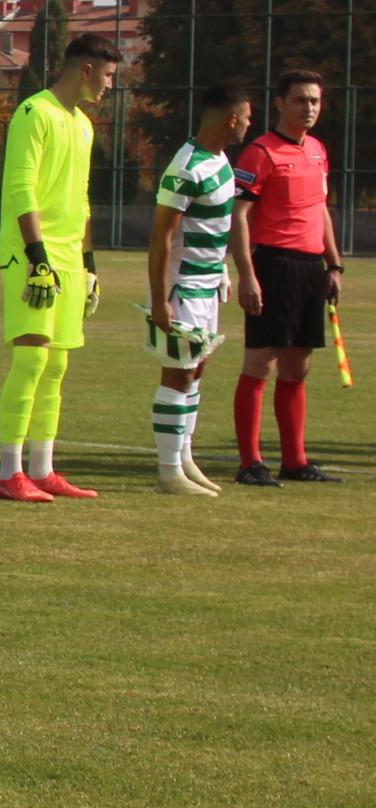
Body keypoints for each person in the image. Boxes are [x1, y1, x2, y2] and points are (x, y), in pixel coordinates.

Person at [0, 31, 121, 502]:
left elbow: (82, 198)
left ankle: (42, 469)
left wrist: (88, 265)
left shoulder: (83, 124)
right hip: (32, 258)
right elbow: (21, 188)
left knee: (57, 364)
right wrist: (38, 259)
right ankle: (9, 473)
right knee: (31, 358)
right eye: (107, 75)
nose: (110, 85)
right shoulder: (34, 112)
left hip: (68, 258)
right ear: (86, 69)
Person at [228, 69, 346, 485]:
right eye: (300, 100)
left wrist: (334, 265)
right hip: (273, 266)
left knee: (299, 366)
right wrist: (247, 275)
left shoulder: (317, 150)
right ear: (280, 103)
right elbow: (238, 216)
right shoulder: (259, 152)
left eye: (314, 100)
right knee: (262, 362)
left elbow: (320, 210)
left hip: (311, 268)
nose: (309, 108)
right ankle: (250, 463)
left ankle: (294, 461)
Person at [145, 79, 250, 495]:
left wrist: (222, 270)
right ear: (232, 118)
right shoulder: (186, 167)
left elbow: (215, 226)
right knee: (177, 372)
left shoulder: (221, 161)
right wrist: (160, 298)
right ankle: (168, 473)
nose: (249, 126)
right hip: (183, 286)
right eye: (247, 119)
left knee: (197, 370)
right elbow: (161, 236)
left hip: (208, 285)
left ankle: (184, 457)